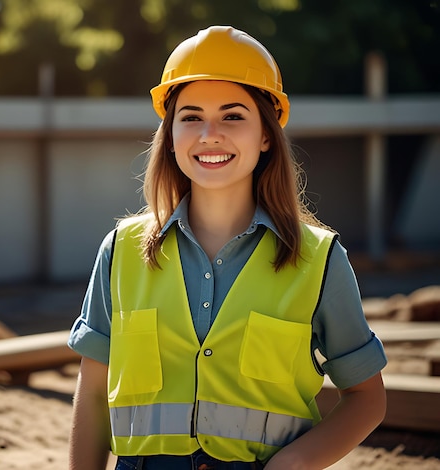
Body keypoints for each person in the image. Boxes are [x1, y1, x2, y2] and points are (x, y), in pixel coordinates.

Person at [67, 25, 387, 470]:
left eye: (233, 116)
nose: (209, 134)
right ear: (171, 134)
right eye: (191, 116)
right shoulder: (121, 251)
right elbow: (95, 390)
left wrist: (292, 463)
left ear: (266, 136)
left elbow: (366, 398)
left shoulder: (319, 260)